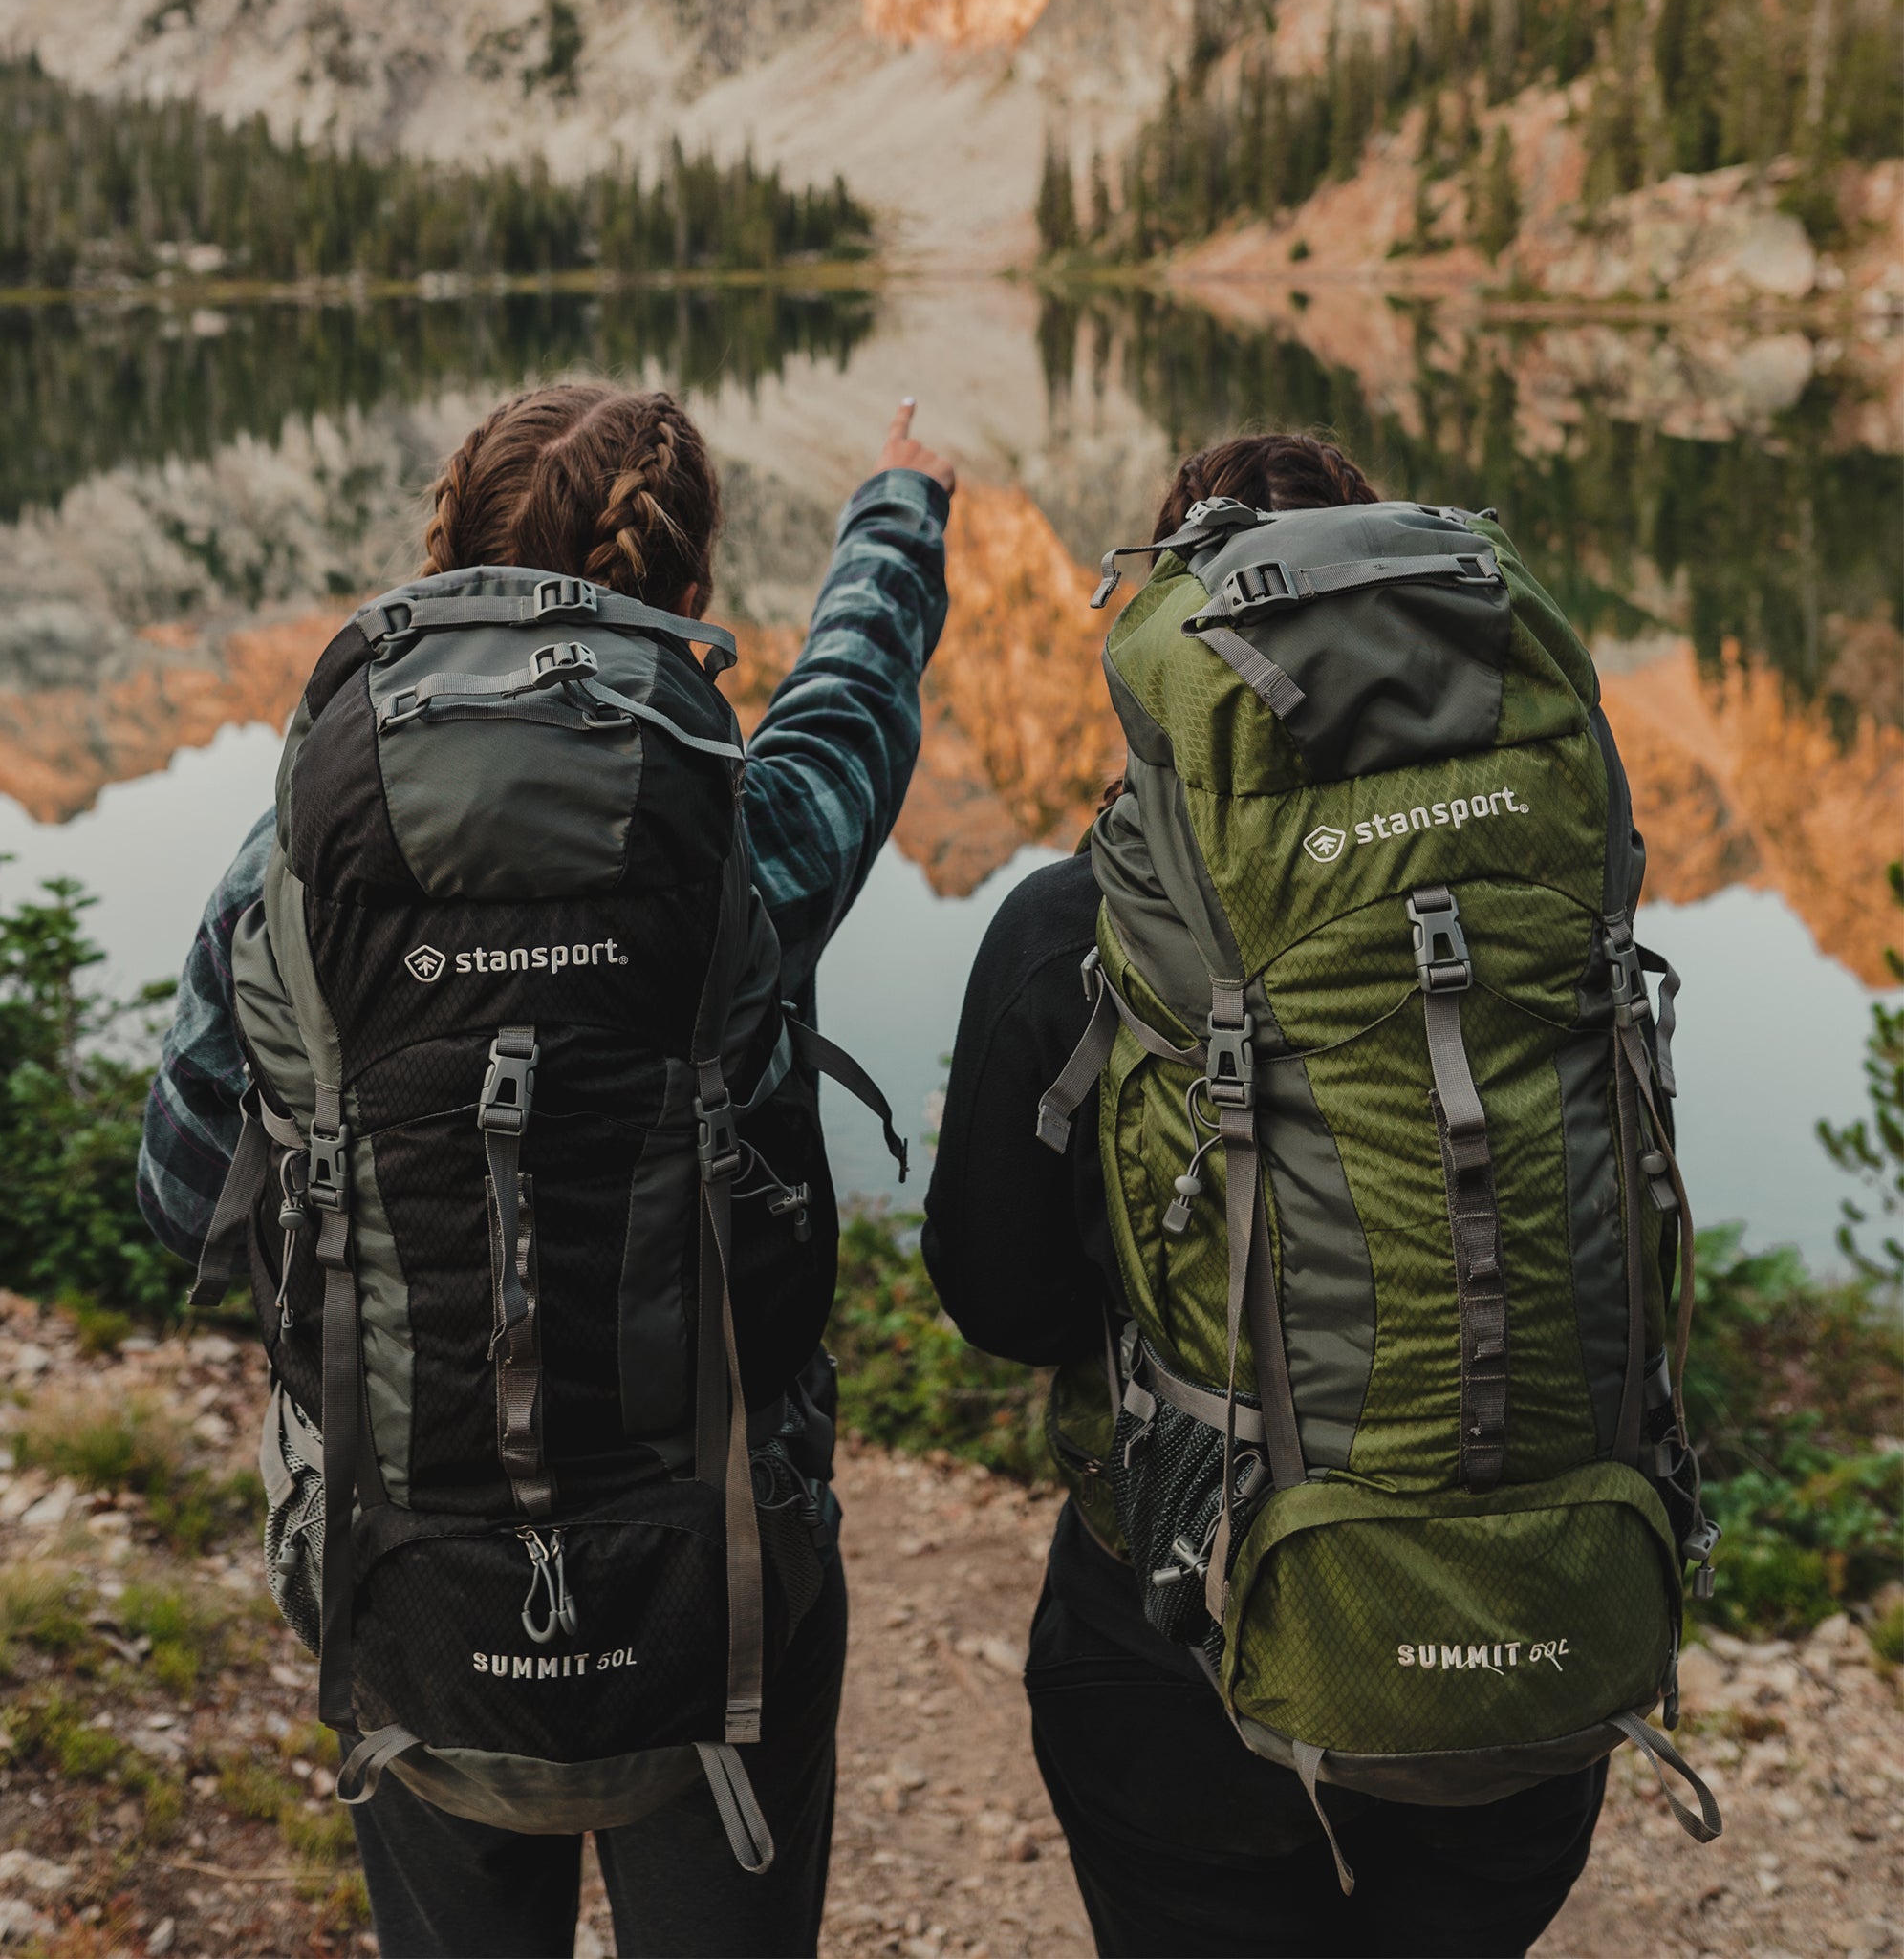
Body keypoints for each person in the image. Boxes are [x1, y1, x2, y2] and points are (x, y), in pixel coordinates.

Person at [138, 380, 955, 1959]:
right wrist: (895, 512)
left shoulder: (301, 851)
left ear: (440, 553)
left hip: (405, 1568)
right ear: (691, 589)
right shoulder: (739, 833)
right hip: (716, 1575)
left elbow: (182, 1192)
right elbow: (852, 704)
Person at [922, 430, 1611, 1959]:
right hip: (1537, 1627)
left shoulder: (1074, 924)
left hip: (1186, 1652)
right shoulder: (1565, 894)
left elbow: (998, 1297)